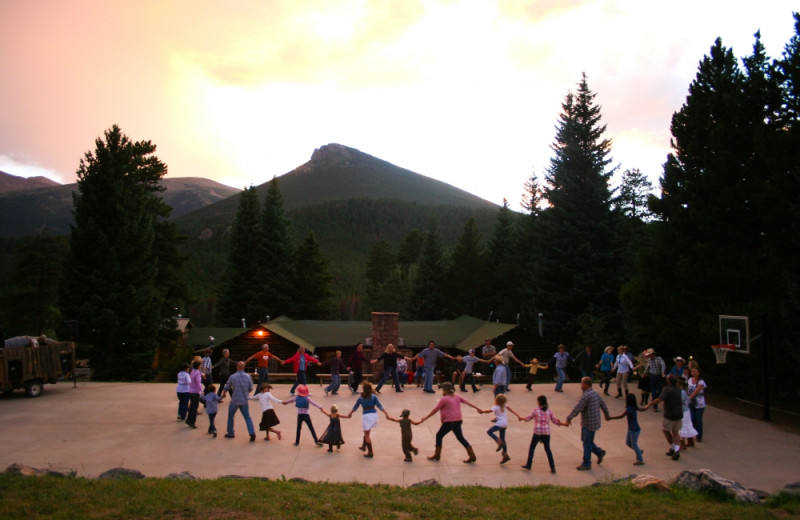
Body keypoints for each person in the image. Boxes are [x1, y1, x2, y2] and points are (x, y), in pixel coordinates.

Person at [417, 382, 489, 463]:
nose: (442, 391)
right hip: (458, 421)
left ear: (446, 390)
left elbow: (435, 410)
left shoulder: (444, 399)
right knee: (460, 437)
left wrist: (425, 418)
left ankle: (437, 455)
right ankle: (472, 455)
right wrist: (478, 409)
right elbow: (468, 403)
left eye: (443, 389)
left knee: (439, 435)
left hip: (449, 422)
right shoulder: (457, 396)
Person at [566, 376, 610, 470]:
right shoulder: (595, 393)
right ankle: (599, 452)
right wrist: (606, 414)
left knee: (586, 443)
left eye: (582, 383)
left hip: (588, 423)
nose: (580, 385)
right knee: (586, 441)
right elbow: (603, 404)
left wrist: (569, 418)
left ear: (586, 384)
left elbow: (578, 408)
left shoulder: (586, 396)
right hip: (595, 421)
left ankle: (587, 463)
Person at [519, 395, 564, 473]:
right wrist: (563, 424)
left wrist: (521, 418)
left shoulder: (535, 410)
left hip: (538, 432)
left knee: (532, 447)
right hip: (546, 433)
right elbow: (555, 420)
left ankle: (529, 464)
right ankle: (552, 467)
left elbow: (528, 418)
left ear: (539, 402)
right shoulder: (549, 411)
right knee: (547, 449)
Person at [644, 374, 683, 460]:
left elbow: (660, 399)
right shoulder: (678, 389)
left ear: (669, 381)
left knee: (666, 430)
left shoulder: (667, 389)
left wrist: (649, 404)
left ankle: (673, 447)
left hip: (670, 414)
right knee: (675, 432)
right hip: (679, 413)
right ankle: (676, 449)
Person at [345, 381, 388, 458]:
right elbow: (379, 405)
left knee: (367, 434)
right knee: (367, 432)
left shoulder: (361, 398)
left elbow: (355, 407)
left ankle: (370, 452)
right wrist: (386, 413)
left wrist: (350, 413)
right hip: (374, 415)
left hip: (366, 416)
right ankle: (363, 446)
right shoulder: (374, 396)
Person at [221, 361, 257, 441]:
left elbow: (227, 386)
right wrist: (245, 392)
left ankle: (231, 433)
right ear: (243, 367)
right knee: (247, 417)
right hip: (244, 400)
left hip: (235, 400)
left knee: (231, 416)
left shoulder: (233, 376)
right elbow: (251, 388)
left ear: (237, 367)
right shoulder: (248, 376)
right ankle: (252, 433)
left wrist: (223, 393)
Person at [607, 392, 645, 465]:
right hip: (632, 428)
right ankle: (639, 451)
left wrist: (610, 418)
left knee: (634, 444)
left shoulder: (629, 409)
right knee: (628, 443)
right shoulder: (634, 407)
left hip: (634, 429)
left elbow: (621, 416)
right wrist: (647, 406)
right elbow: (642, 409)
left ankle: (640, 460)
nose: (625, 398)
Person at [487, 394, 520, 464]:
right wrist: (518, 416)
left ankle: (498, 441)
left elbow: (488, 411)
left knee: (489, 432)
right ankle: (505, 455)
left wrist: (481, 411)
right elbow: (512, 410)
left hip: (500, 424)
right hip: (505, 424)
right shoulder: (505, 405)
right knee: (503, 439)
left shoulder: (495, 407)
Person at [687, 367, 707, 442]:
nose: (694, 373)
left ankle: (699, 436)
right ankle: (693, 432)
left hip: (699, 404)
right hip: (691, 403)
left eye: (695, 371)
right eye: (692, 371)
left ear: (698, 372)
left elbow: (696, 391)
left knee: (698, 419)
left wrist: (688, 399)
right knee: (692, 419)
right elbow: (688, 390)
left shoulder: (701, 382)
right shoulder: (689, 380)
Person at [678, 377, 698, 449]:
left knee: (682, 427)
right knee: (688, 425)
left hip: (683, 411)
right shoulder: (684, 391)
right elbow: (688, 401)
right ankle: (690, 441)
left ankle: (682, 444)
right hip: (686, 411)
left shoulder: (681, 392)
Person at [185, 360, 204, 429]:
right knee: (194, 407)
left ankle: (189, 420)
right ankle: (192, 422)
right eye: (200, 365)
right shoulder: (197, 373)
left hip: (191, 390)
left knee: (192, 406)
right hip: (195, 392)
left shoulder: (192, 372)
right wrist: (201, 390)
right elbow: (198, 382)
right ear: (198, 366)